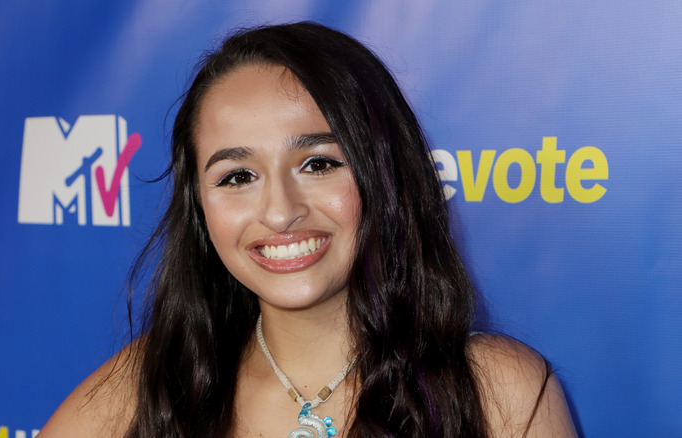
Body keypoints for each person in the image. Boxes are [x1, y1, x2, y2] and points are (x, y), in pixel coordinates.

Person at [39, 22, 577, 437]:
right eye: (238, 176)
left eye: (318, 164)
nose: (279, 212)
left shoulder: (496, 389)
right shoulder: (153, 385)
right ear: (200, 207)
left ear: (385, 175)